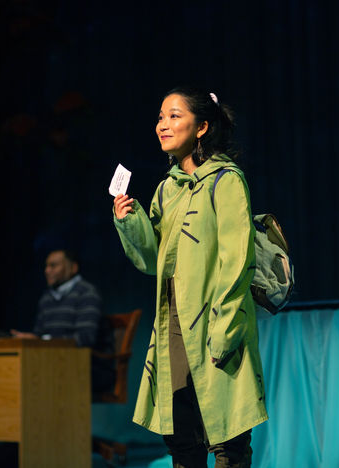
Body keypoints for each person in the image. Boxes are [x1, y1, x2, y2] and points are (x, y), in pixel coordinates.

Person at [113, 86, 267, 468]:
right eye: (160, 117)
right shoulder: (167, 189)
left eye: (174, 116)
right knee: (183, 443)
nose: (163, 125)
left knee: (228, 443)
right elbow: (152, 260)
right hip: (174, 328)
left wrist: (226, 329)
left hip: (216, 326)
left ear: (201, 127)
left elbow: (237, 261)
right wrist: (129, 220)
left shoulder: (225, 180)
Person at [11, 249, 114, 393]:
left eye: (53, 266)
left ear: (73, 268)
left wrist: (44, 341)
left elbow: (85, 338)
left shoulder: (87, 293)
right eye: (46, 266)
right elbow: (40, 334)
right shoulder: (46, 298)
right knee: (16, 372)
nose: (47, 271)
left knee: (34, 378)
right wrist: (32, 339)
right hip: (54, 363)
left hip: (89, 366)